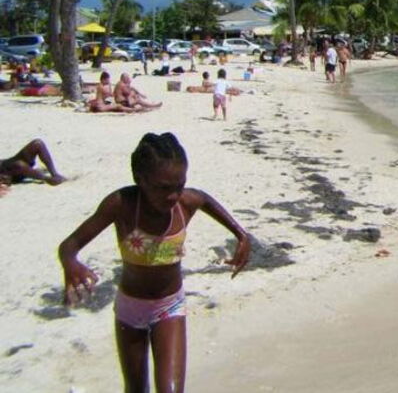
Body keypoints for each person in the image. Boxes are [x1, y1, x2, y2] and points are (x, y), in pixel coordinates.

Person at [57, 133, 251, 393]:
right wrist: (71, 263)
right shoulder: (122, 204)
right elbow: (69, 246)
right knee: (135, 388)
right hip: (130, 308)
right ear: (139, 178)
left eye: (179, 186)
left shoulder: (186, 203)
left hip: (169, 306)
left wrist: (241, 234)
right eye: (162, 188)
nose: (172, 196)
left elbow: (204, 199)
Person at [1, 139, 67, 196]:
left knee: (37, 143)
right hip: (9, 173)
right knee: (18, 165)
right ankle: (48, 179)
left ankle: (54, 173)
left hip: (7, 164)